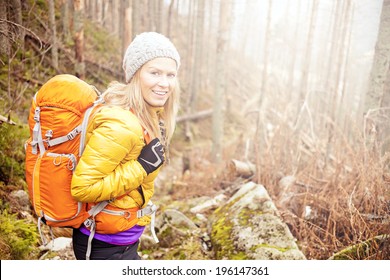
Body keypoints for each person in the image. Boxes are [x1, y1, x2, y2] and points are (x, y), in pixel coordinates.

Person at [70, 32, 181, 260]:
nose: (165, 83)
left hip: (122, 240)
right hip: (103, 246)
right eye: (155, 73)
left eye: (171, 74)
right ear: (135, 75)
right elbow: (82, 188)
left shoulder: (145, 117)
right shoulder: (122, 123)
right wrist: (141, 167)